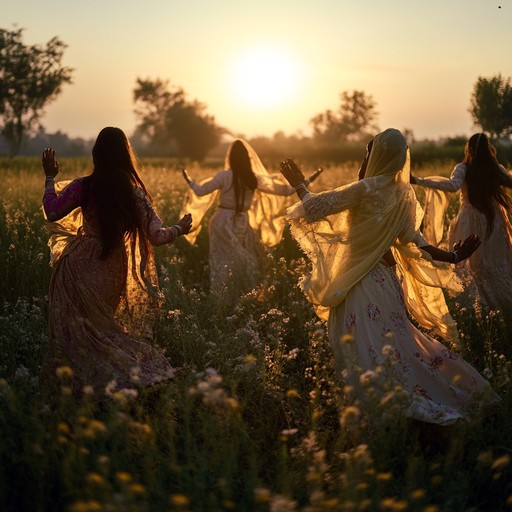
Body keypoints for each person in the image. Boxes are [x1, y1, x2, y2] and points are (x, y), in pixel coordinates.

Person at [279, 128, 499, 426]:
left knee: (365, 348)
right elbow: (416, 242)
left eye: (369, 152)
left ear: (377, 155)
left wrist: (299, 184)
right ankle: (442, 392)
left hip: (362, 284)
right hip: (386, 281)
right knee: (398, 344)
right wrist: (454, 256)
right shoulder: (403, 194)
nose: (366, 157)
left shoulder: (365, 189)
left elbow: (315, 208)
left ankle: (385, 405)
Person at [41, 127, 193, 394]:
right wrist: (180, 228)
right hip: (112, 267)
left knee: (79, 330)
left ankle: (82, 383)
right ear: (126, 156)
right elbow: (157, 236)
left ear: (96, 154)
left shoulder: (83, 186)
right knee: (104, 329)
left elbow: (52, 211)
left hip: (79, 264)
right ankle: (112, 380)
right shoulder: (133, 193)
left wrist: (50, 177)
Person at [181, 138, 322, 302]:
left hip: (221, 222)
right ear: (247, 158)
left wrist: (188, 179)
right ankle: (244, 298)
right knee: (245, 261)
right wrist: (309, 179)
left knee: (222, 263)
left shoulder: (224, 176)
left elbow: (200, 191)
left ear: (230, 157)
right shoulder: (252, 178)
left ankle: (224, 300)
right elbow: (286, 191)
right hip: (242, 221)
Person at [411, 132, 512, 316]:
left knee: (471, 263)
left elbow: (451, 186)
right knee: (493, 261)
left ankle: (478, 307)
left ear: (469, 149)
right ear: (488, 149)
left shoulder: (463, 168)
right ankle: (497, 306)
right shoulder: (495, 169)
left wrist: (418, 180)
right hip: (493, 221)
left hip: (470, 220)